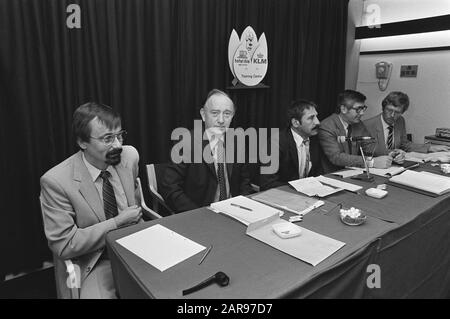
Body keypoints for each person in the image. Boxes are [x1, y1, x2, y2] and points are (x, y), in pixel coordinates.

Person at [40, 102, 142, 299]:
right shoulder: (56, 181)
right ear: (82, 142)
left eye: (119, 135)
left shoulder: (129, 156)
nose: (118, 145)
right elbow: (64, 244)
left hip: (136, 245)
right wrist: (117, 222)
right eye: (107, 138)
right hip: (97, 259)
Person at [161, 89, 254, 213]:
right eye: (215, 113)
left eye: (227, 114)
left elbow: (245, 183)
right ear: (203, 115)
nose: (221, 120)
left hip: (234, 212)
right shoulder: (185, 142)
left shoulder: (237, 142)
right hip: (199, 214)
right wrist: (198, 214)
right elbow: (170, 188)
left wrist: (243, 207)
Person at [318, 89, 392, 173]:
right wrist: (371, 162)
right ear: (343, 109)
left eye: (363, 108)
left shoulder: (358, 124)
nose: (362, 113)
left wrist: (390, 153)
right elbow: (336, 157)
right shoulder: (327, 126)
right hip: (332, 174)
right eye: (358, 109)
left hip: (353, 172)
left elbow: (369, 146)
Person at [364, 91, 449, 163]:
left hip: (394, 164)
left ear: (402, 112)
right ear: (383, 108)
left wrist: (430, 148)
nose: (392, 115)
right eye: (389, 110)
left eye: (397, 112)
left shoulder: (400, 121)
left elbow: (404, 144)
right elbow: (369, 150)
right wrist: (395, 153)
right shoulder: (367, 125)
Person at [260, 99, 322, 191]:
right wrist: (299, 189)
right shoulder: (275, 143)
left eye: (316, 117)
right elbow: (267, 183)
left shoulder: (314, 138)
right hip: (283, 195)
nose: (317, 122)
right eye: (311, 118)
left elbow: (317, 172)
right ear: (296, 123)